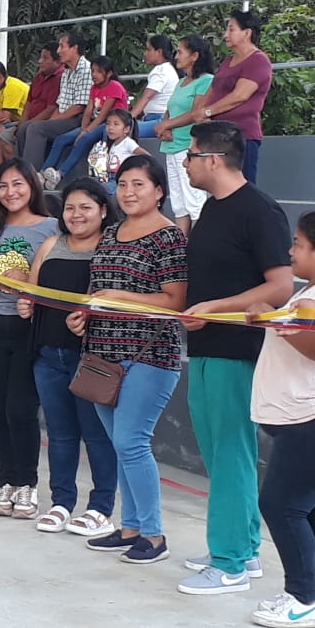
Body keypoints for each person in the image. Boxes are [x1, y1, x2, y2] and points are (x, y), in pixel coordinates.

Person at [175, 121, 293, 595]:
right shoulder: (211, 208)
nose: (185, 163)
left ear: (213, 159)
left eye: (190, 155)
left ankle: (229, 565)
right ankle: (243, 546)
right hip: (206, 345)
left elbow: (280, 286)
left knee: (230, 452)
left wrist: (215, 308)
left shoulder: (259, 210)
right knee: (219, 451)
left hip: (236, 349)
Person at [68, 155, 187, 564]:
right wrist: (83, 315)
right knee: (122, 444)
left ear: (159, 191)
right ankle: (131, 527)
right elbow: (98, 289)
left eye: (139, 184)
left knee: (131, 441)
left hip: (149, 354)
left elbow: (175, 301)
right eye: (122, 184)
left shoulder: (169, 237)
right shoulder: (111, 232)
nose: (129, 192)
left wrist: (121, 298)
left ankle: (153, 535)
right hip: (103, 356)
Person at [16, 178, 118, 534]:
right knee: (59, 433)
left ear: (103, 211)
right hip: (48, 353)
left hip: (91, 358)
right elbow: (31, 290)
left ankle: (101, 507)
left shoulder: (110, 247)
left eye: (85, 207)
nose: (76, 215)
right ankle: (62, 502)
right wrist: (26, 304)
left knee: (96, 434)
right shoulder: (51, 244)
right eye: (70, 207)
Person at [0, 158, 57, 518]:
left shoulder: (51, 227)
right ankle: (6, 482)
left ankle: (27, 484)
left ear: (32, 186)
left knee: (21, 409)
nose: (10, 192)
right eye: (3, 186)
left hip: (27, 328)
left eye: (18, 184)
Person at [246, 212, 315, 628]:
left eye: (299, 244)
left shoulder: (309, 301)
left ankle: (303, 596)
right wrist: (269, 312)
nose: (290, 251)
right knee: (304, 509)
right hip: (294, 417)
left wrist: (285, 320)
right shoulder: (305, 295)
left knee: (281, 505)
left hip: (307, 419)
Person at [190, 10, 272, 184]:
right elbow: (212, 90)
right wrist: (200, 113)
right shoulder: (228, 61)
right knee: (218, 184)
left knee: (242, 186)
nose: (225, 34)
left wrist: (207, 112)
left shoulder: (258, 60)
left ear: (247, 33)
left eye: (231, 29)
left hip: (241, 135)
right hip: (217, 135)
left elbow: (240, 95)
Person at [152, 35, 216, 233]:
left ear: (194, 56)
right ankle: (181, 245)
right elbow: (170, 108)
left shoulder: (206, 81)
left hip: (188, 146)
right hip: (172, 145)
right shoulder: (180, 82)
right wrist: (165, 126)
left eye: (180, 52)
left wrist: (166, 125)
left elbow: (196, 113)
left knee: (194, 200)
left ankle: (197, 243)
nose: (176, 56)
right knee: (179, 203)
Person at [41, 56, 130, 189]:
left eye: (99, 71)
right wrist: (83, 129)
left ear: (109, 73)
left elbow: (103, 115)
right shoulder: (94, 88)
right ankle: (42, 174)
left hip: (110, 124)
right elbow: (88, 111)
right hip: (95, 123)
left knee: (83, 140)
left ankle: (60, 174)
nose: (94, 75)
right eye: (92, 71)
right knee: (61, 139)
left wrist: (85, 132)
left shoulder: (114, 86)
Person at [23, 31, 92, 169]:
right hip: (64, 116)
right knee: (24, 128)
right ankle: (21, 169)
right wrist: (51, 120)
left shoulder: (86, 70)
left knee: (36, 128)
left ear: (74, 48)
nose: (58, 51)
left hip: (77, 119)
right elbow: (60, 103)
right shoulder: (66, 72)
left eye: (62, 46)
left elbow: (79, 107)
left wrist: (53, 120)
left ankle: (31, 173)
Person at [14, 43, 64, 157]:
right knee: (3, 133)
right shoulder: (38, 77)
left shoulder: (59, 78)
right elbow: (29, 102)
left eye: (45, 58)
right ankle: (11, 166)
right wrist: (22, 122)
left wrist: (28, 123)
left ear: (57, 62)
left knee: (26, 129)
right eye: (41, 57)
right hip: (28, 120)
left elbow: (51, 109)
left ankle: (25, 166)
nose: (40, 61)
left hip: (42, 121)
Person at [85, 109, 148, 194]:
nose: (110, 127)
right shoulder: (112, 145)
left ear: (126, 129)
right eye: (108, 124)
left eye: (116, 124)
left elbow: (145, 155)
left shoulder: (128, 142)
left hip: (120, 179)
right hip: (109, 177)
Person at [129, 35, 181, 138]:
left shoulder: (160, 71)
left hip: (159, 118)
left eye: (148, 50)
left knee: (121, 130)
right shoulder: (167, 68)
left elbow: (147, 97)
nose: (145, 53)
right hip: (158, 117)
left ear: (159, 52)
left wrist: (128, 118)